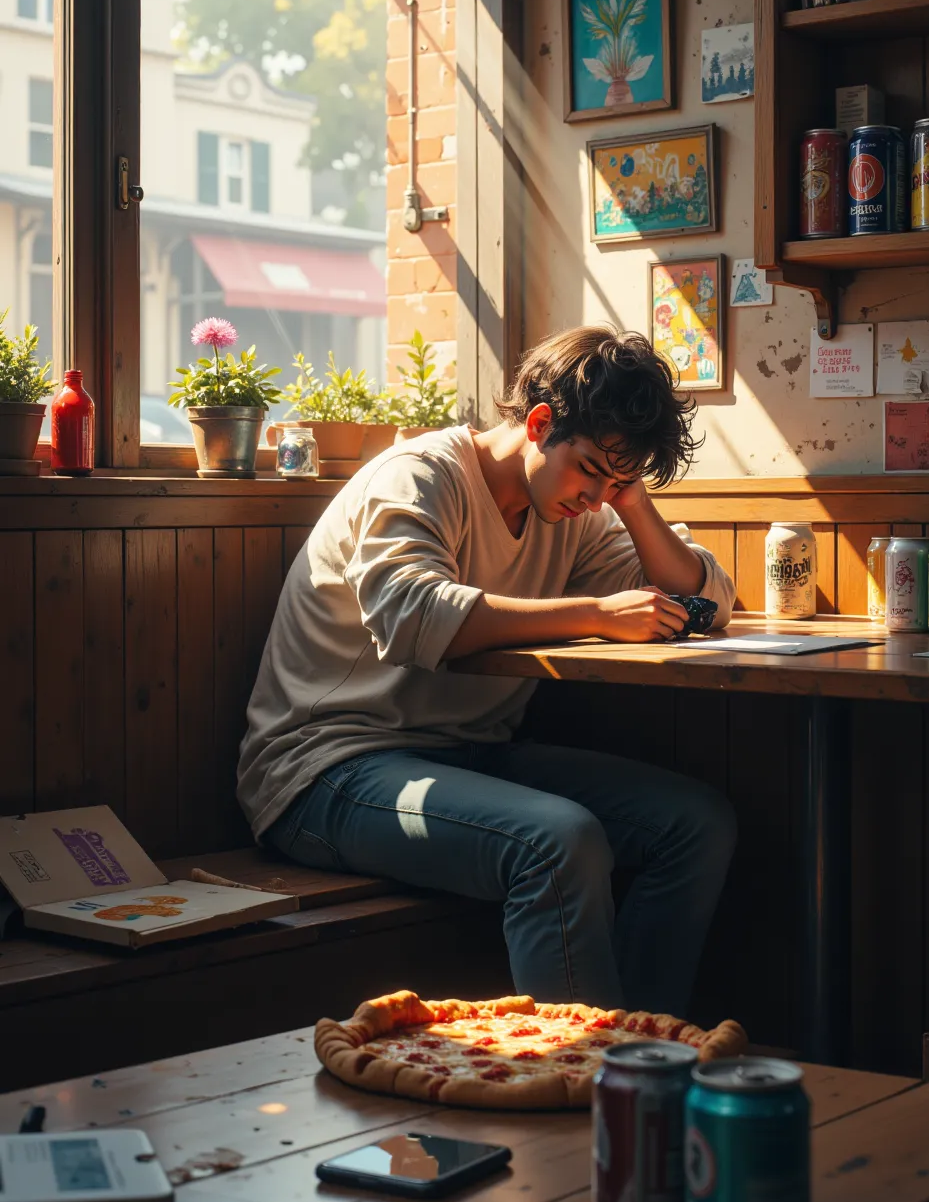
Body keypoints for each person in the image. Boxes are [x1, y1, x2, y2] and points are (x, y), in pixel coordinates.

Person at [239, 327, 737, 1016]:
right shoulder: (419, 474)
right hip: (324, 770)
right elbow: (411, 613)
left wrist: (631, 496)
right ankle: (576, 1086)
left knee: (694, 823)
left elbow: (706, 600)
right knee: (559, 842)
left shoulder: (578, 509)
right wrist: (593, 612)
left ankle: (641, 1060)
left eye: (615, 483)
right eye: (592, 469)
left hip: (467, 758)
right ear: (538, 424)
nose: (595, 497)